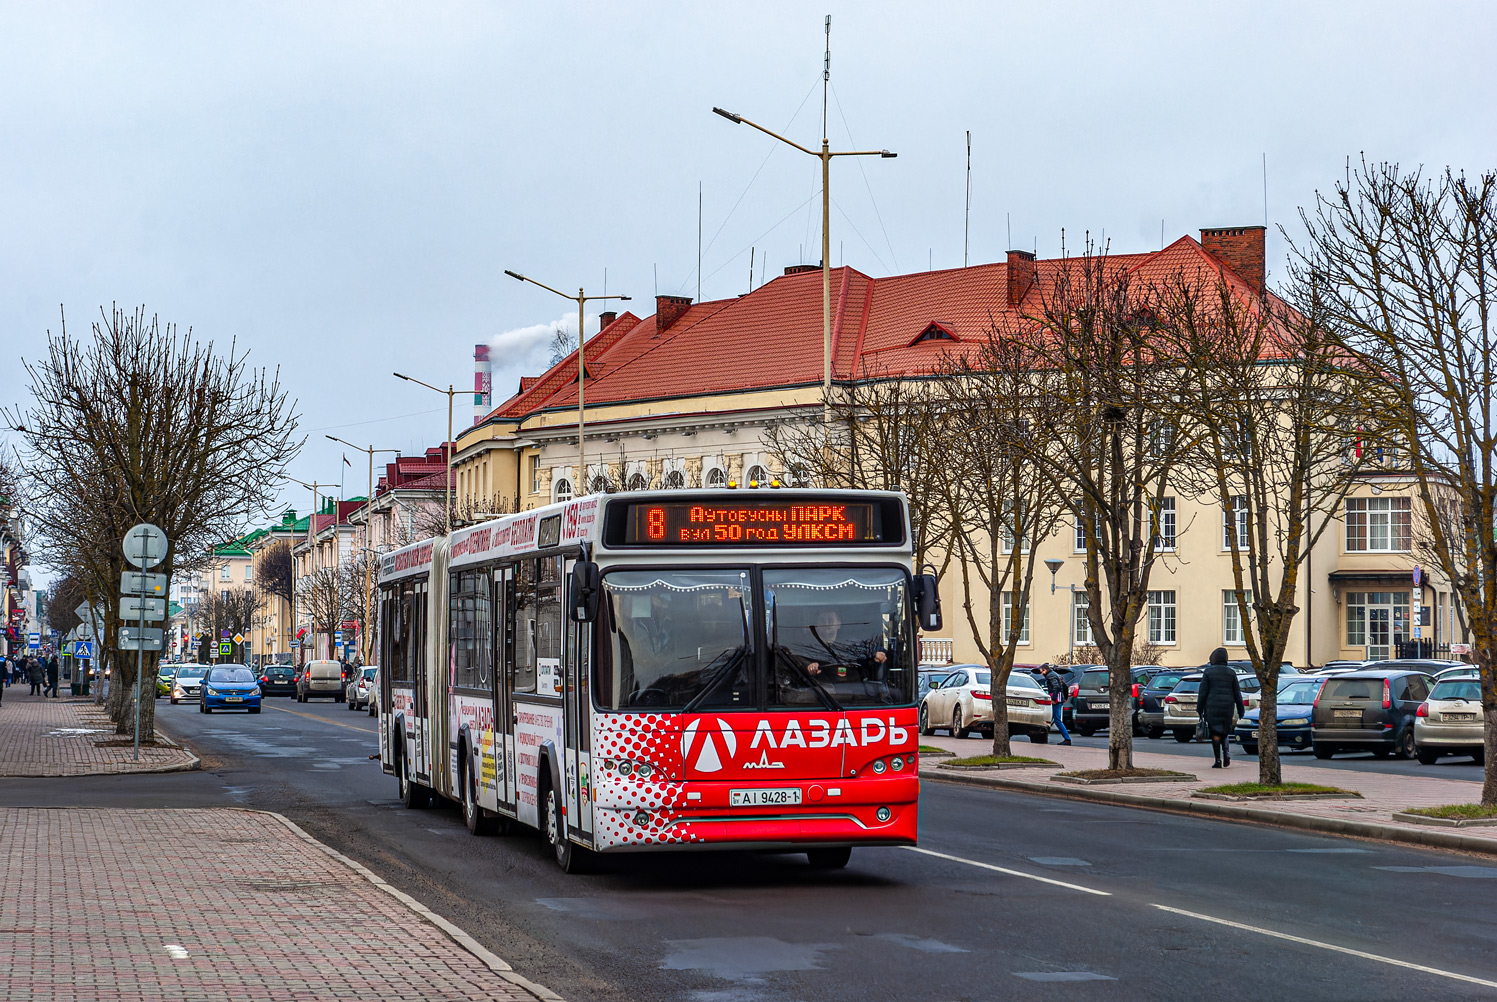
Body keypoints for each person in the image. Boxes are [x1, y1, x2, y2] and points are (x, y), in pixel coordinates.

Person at [1197, 647, 1245, 768]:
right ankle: (1227, 754)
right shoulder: (1231, 673)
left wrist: (1199, 709)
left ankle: (1218, 759)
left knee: (1215, 733)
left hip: (1212, 707)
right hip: (1227, 707)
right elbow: (1237, 693)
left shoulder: (1208, 672)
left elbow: (1202, 693)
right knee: (1225, 731)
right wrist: (1240, 709)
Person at [1037, 664, 1072, 745]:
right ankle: (1042, 736)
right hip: (1060, 699)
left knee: (1057, 719)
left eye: (1041, 672)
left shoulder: (1050, 676)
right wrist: (1065, 697)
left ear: (1044, 670)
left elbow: (1056, 687)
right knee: (1051, 719)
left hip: (1056, 699)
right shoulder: (1055, 674)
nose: (1041, 674)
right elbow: (1064, 686)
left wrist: (1053, 699)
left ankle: (1067, 738)